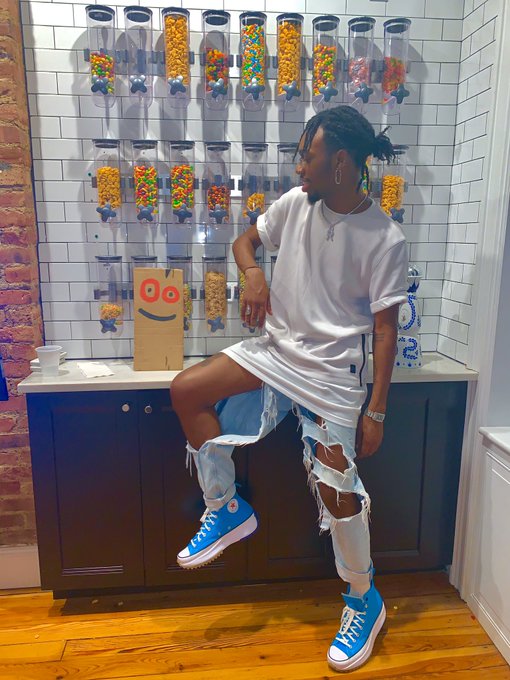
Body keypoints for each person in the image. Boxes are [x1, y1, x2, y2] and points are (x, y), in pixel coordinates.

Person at [170, 105, 408, 673]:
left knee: (337, 491)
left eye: (308, 155)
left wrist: (376, 411)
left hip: (331, 374)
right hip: (276, 354)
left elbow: (385, 331)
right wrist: (253, 273)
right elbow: (244, 243)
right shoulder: (294, 205)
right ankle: (225, 507)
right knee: (187, 390)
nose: (299, 166)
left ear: (341, 163)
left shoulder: (385, 237)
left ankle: (364, 598)